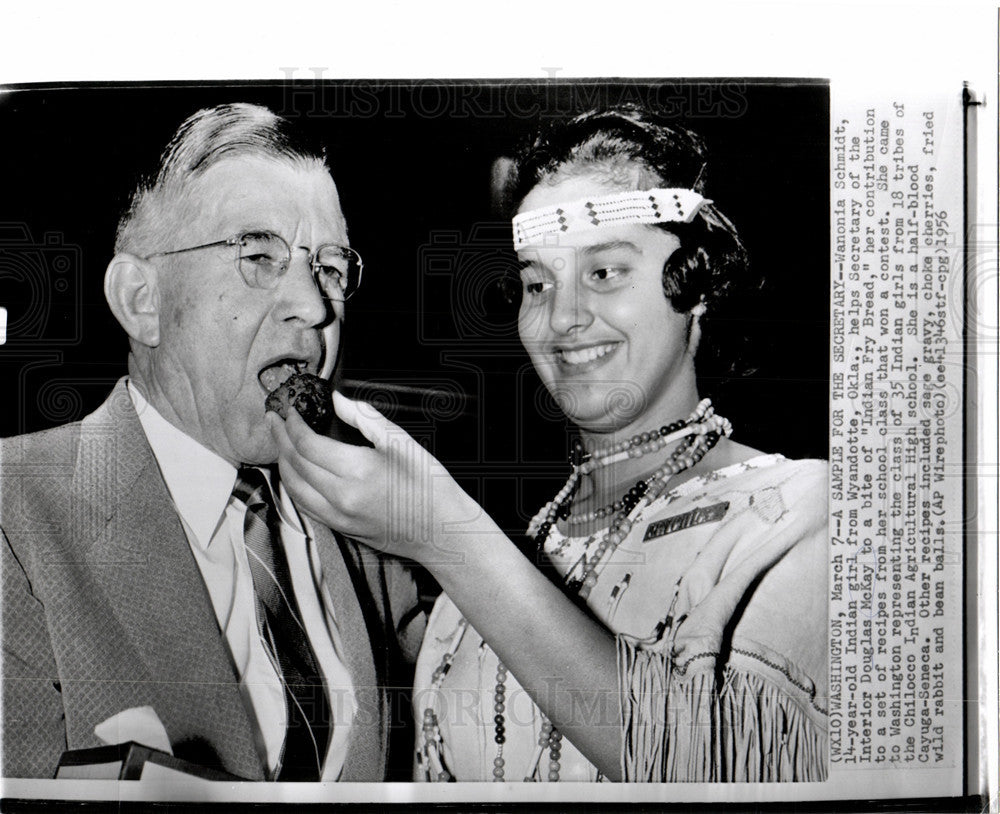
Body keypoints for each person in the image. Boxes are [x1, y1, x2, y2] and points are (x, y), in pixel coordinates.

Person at [269, 105, 829, 782]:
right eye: (538, 283)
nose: (561, 318)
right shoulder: (506, 567)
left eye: (605, 272)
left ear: (698, 284)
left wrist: (446, 536)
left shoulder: (804, 512)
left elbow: (743, 771)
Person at [0, 103, 423, 782]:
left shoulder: (371, 526)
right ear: (142, 299)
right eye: (259, 256)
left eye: (333, 269)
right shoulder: (13, 515)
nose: (315, 308)